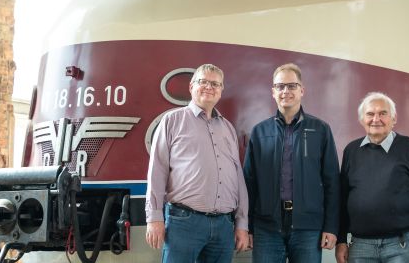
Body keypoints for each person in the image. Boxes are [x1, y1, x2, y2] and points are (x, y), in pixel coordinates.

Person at [145, 63, 249, 263]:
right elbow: (157, 171)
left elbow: (237, 177)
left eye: (215, 84)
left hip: (224, 226)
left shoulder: (227, 128)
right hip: (184, 223)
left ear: (221, 90)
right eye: (203, 82)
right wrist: (154, 218)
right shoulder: (172, 121)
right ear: (192, 86)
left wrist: (242, 223)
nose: (209, 87)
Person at [243, 63, 340, 263]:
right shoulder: (260, 132)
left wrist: (331, 227)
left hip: (308, 229)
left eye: (292, 86)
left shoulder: (320, 129)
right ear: (273, 91)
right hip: (266, 228)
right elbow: (248, 184)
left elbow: (332, 183)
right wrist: (248, 226)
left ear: (301, 90)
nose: (285, 91)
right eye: (280, 86)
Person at [335, 92, 409, 263]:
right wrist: (341, 240)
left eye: (383, 113)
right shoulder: (351, 151)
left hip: (400, 246)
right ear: (362, 120)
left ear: (393, 119)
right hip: (360, 246)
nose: (376, 119)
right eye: (370, 114)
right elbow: (342, 201)